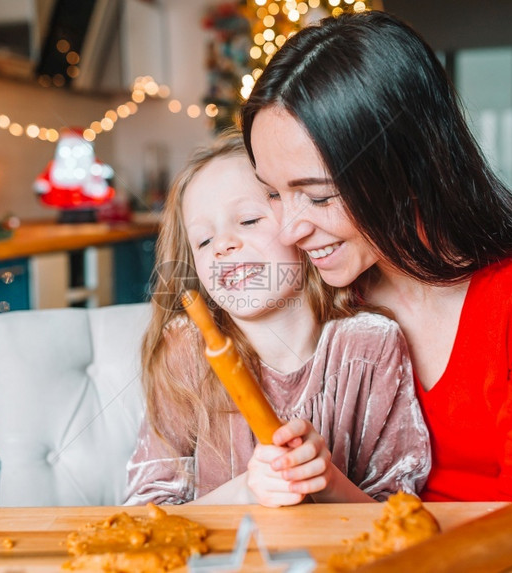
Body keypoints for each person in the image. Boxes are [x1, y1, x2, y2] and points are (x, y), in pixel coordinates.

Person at [240, 10, 512, 536]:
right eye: (272, 193)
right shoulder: (331, 285)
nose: (288, 228)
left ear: (410, 169)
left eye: (319, 196)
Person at [125, 132, 430, 507]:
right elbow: (145, 510)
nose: (223, 244)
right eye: (204, 241)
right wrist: (245, 491)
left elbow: (396, 511)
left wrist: (327, 481)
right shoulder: (186, 352)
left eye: (249, 220)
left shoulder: (371, 345)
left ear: (301, 228)